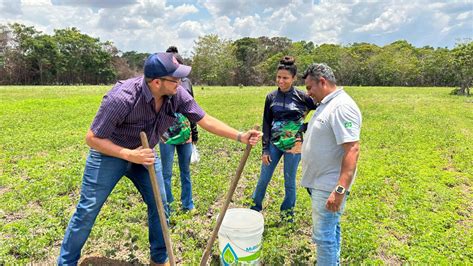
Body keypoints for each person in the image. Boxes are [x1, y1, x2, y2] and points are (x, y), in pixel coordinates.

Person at [57, 52, 261, 266]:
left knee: (160, 204)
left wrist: (240, 136)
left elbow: (204, 119)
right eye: (175, 79)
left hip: (145, 155)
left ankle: (159, 259)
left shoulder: (177, 94)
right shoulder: (122, 98)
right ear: (156, 82)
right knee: (88, 209)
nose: (180, 83)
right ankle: (66, 262)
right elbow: (92, 138)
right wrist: (128, 154)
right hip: (109, 154)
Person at [301, 63, 362, 265]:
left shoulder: (341, 106)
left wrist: (339, 190)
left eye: (310, 88)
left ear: (323, 82)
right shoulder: (327, 104)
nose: (308, 93)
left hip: (328, 185)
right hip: (320, 181)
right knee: (331, 229)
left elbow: (352, 149)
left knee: (322, 236)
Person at [250, 56, 316, 222]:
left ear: (293, 78)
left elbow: (322, 112)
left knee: (289, 181)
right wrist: (265, 149)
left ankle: (287, 215)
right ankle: (254, 209)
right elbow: (266, 122)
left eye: (285, 78)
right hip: (274, 143)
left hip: (294, 146)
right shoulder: (271, 97)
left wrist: (305, 127)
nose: (281, 81)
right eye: (278, 77)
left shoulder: (302, 97)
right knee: (263, 178)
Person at [159, 46, 198, 212]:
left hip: (185, 133)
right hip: (166, 134)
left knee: (185, 171)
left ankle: (188, 204)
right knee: (166, 173)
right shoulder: (161, 82)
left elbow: (193, 108)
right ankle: (168, 205)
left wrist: (194, 134)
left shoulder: (187, 82)